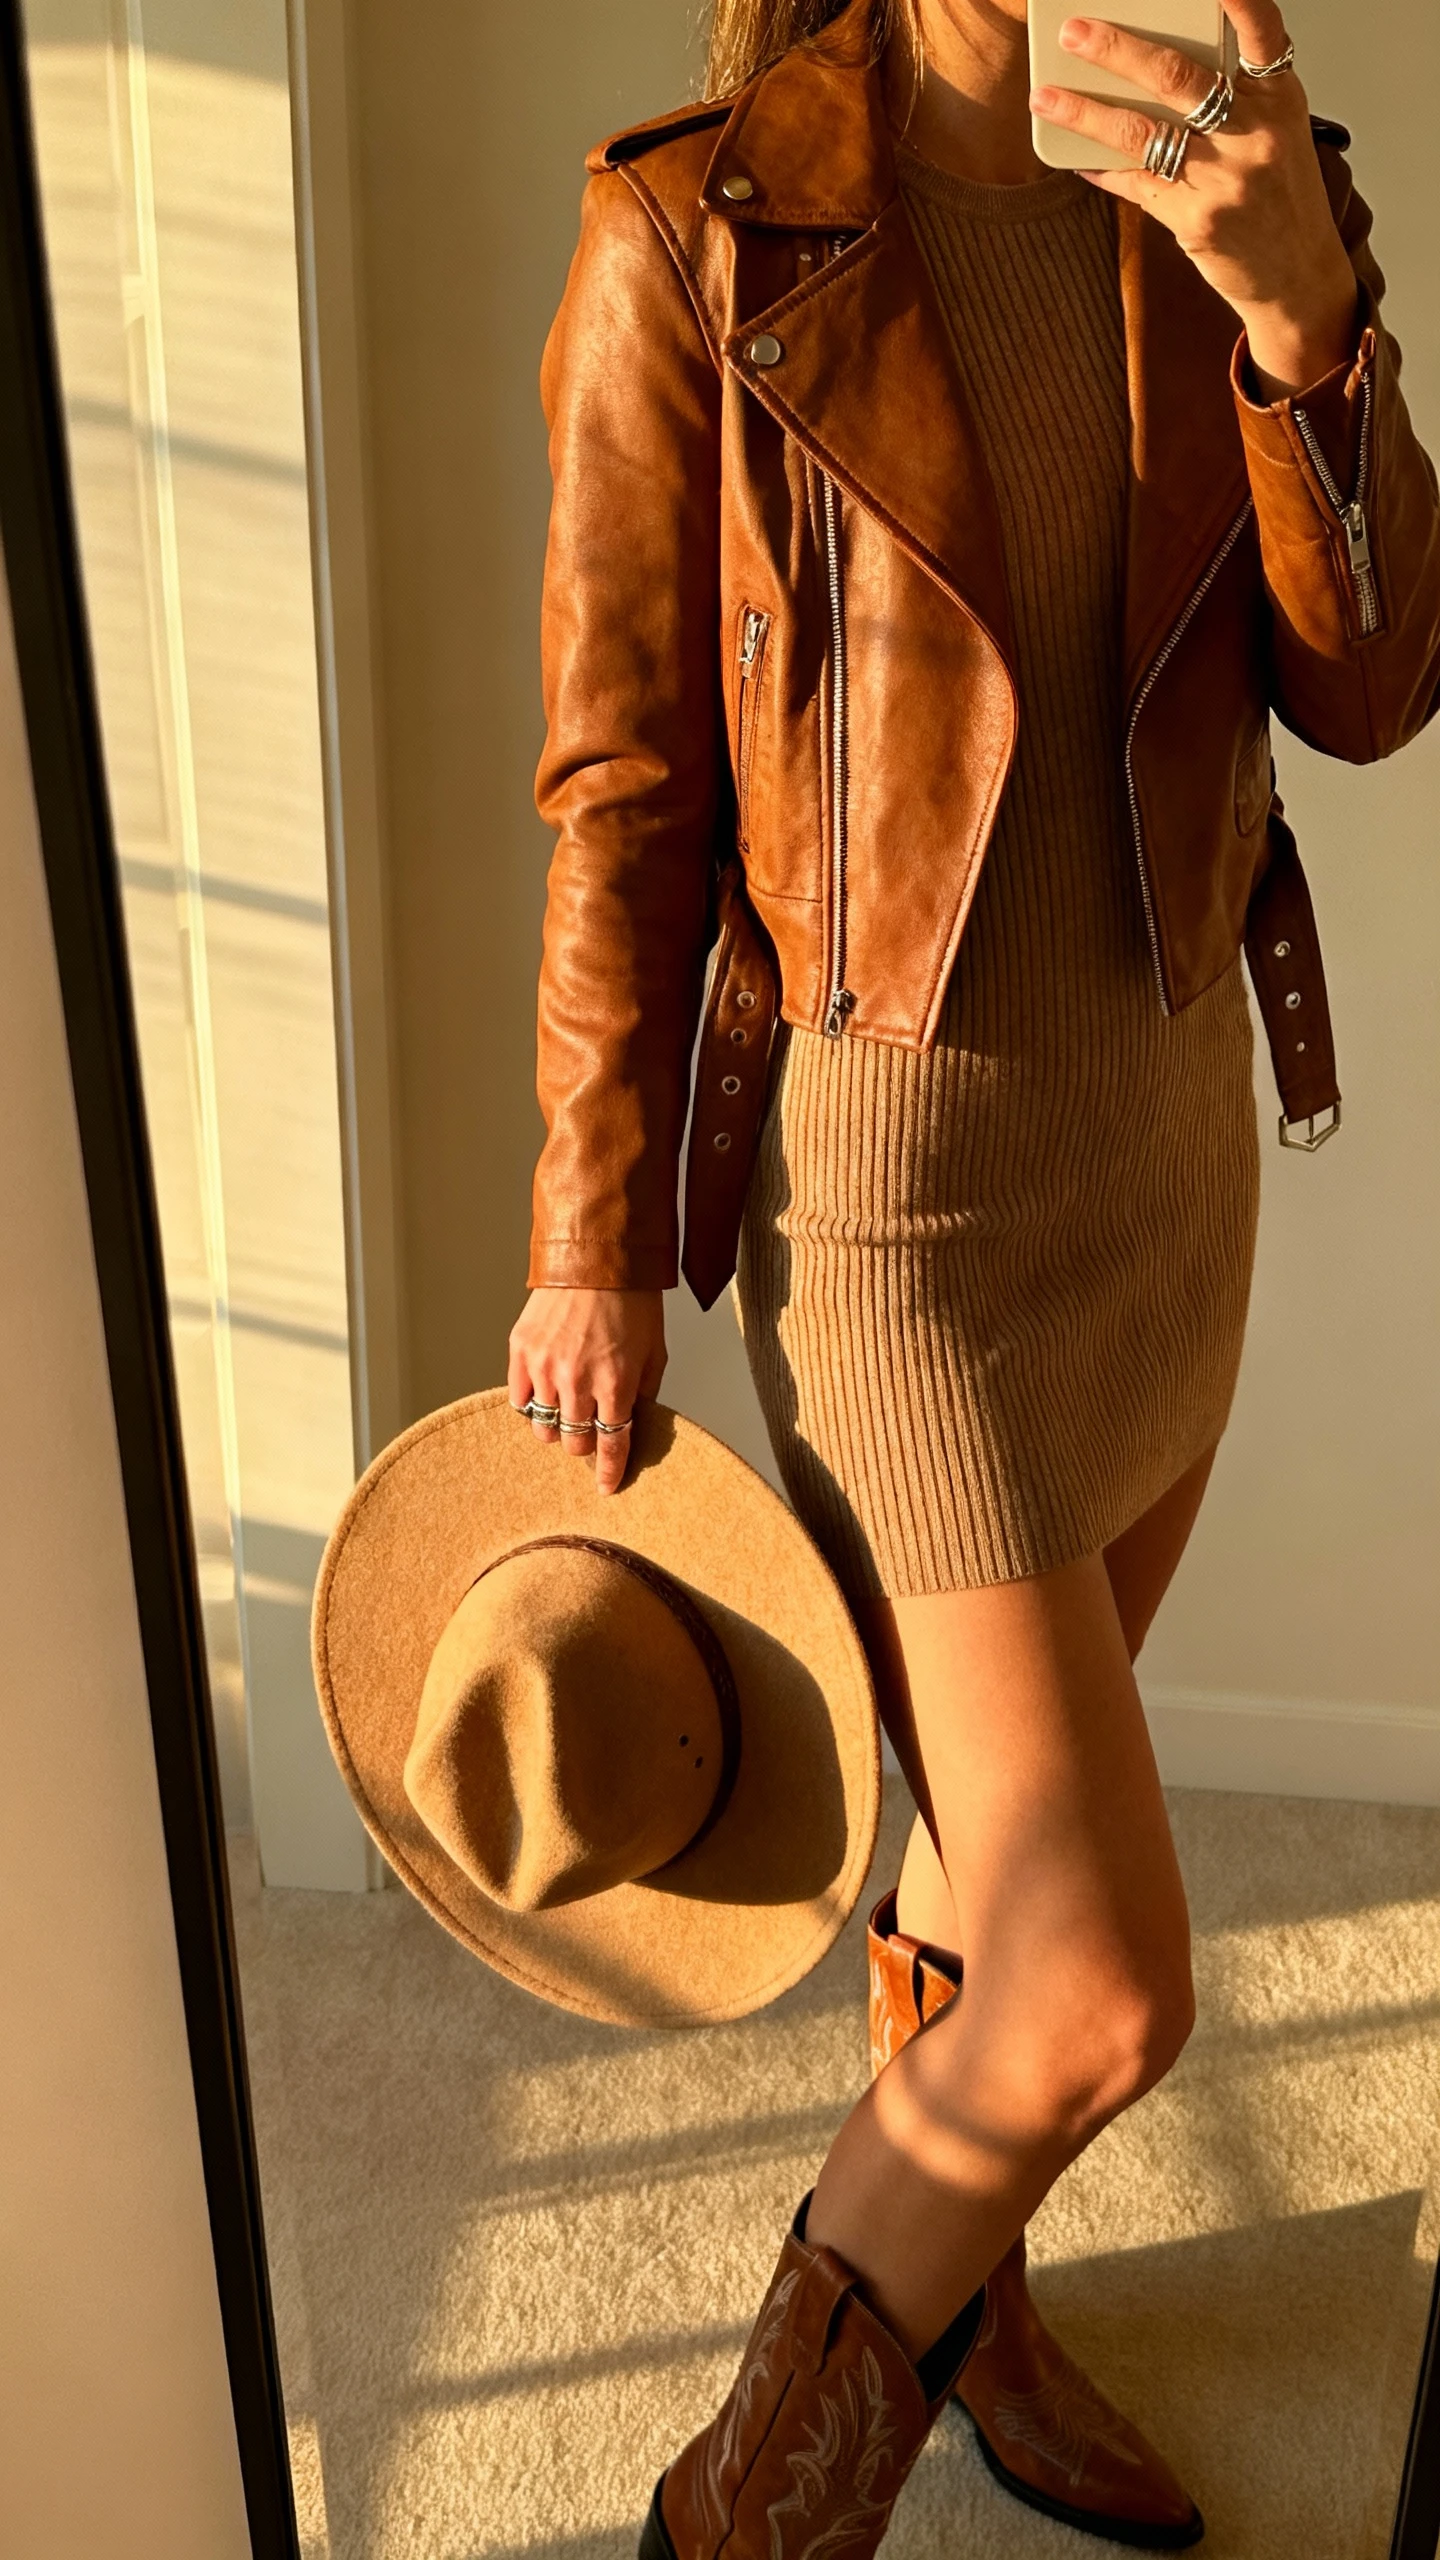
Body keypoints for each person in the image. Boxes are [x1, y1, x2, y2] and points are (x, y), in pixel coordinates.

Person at [509, 0, 1440, 2550]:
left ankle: (979, 2307)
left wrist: (1300, 322)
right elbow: (624, 783)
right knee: (1099, 1979)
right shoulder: (692, 234)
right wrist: (586, 1235)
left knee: (976, 1861)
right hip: (903, 1217)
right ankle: (741, 2505)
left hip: (1167, 1162)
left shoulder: (1237, 176)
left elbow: (1367, 692)